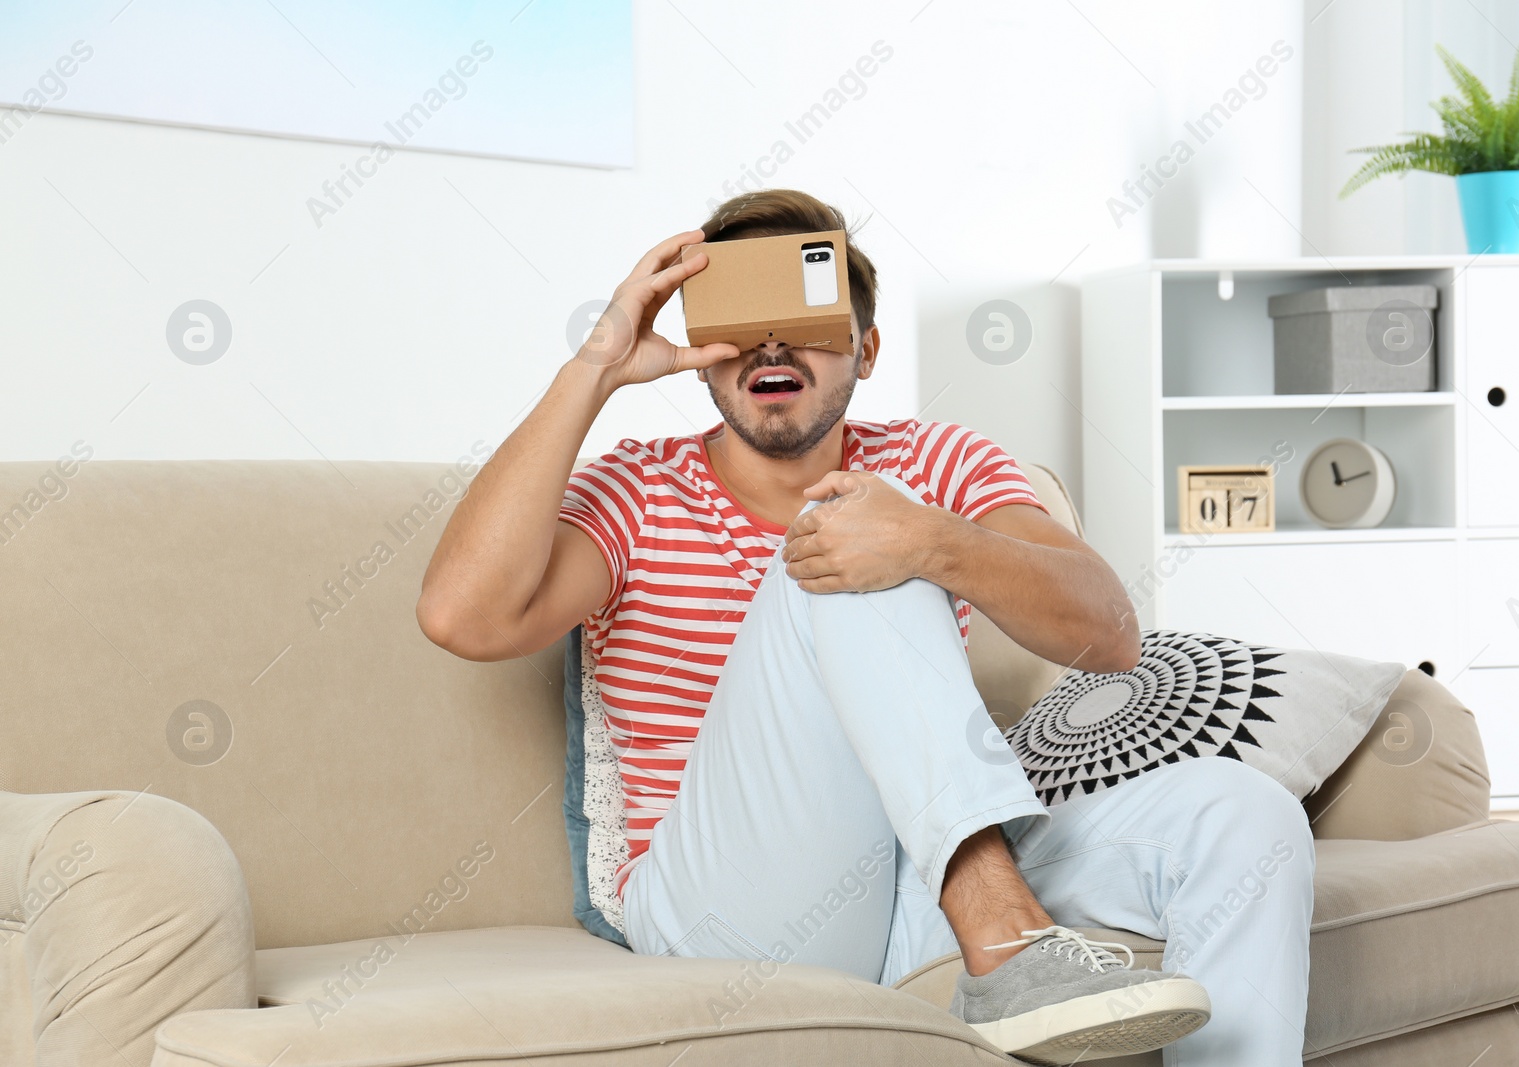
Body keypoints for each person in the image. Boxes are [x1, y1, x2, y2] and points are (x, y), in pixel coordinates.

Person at [417, 189, 1313, 1065]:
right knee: (843, 538)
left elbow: (1110, 634)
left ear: (866, 347)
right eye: (744, 321)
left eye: (804, 320)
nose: (772, 346)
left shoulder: (936, 462)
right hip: (723, 907)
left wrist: (931, 538)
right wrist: (597, 364)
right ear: (700, 347)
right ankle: (1008, 941)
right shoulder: (639, 489)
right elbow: (460, 614)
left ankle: (1003, 933)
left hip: (907, 880)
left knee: (1246, 815)